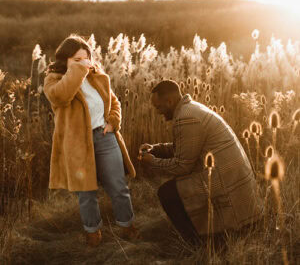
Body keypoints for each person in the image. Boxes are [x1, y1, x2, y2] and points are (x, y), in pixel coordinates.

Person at [139, 80, 263, 244]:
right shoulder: (191, 109)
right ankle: (205, 233)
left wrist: (152, 162)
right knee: (177, 187)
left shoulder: (186, 118)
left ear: (169, 101)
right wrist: (156, 149)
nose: (158, 112)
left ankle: (197, 242)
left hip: (226, 182)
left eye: (159, 107)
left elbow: (182, 166)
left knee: (168, 193)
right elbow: (184, 147)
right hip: (232, 176)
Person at [44, 34, 139, 247]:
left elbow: (114, 102)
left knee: (118, 186)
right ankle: (93, 233)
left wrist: (113, 122)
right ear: (65, 60)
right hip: (77, 143)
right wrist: (78, 70)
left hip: (104, 136)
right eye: (77, 60)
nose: (84, 64)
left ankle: (127, 226)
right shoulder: (54, 80)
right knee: (86, 193)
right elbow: (61, 97)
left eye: (86, 59)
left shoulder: (96, 76)